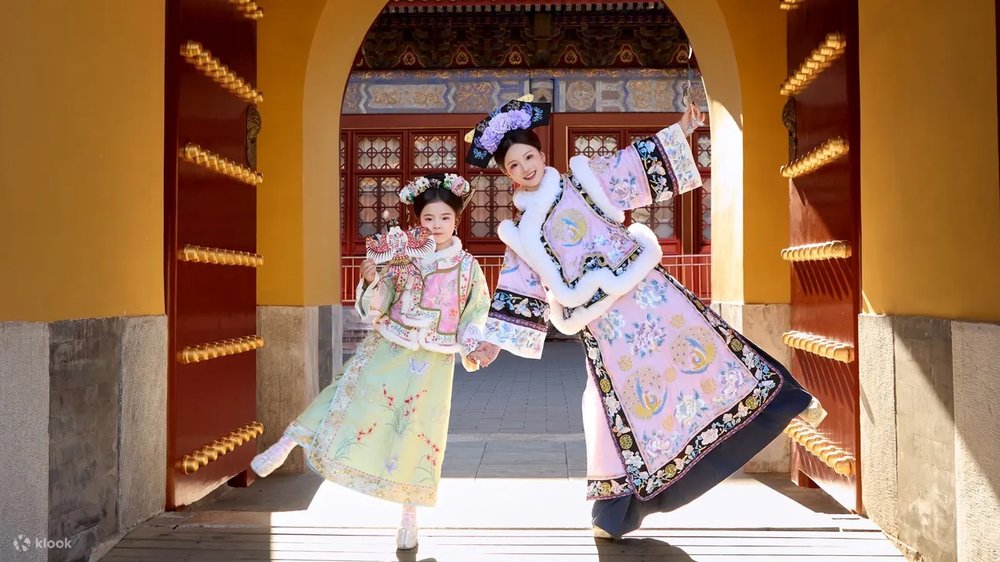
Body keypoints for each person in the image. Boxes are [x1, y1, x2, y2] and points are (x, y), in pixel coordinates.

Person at [466, 96, 823, 539]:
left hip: (645, 291)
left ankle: (781, 401)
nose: (525, 168)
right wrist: (491, 344)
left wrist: (683, 129)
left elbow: (633, 165)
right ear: (507, 174)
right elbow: (517, 291)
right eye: (514, 165)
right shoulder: (522, 235)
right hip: (603, 322)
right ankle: (617, 508)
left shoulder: (586, 180)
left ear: (541, 154)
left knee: (703, 347)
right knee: (614, 402)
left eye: (529, 157)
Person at [251, 173, 491, 550]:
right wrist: (371, 281)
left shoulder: (468, 267)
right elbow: (379, 303)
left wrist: (473, 344)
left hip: (434, 359)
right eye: (428, 218)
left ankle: (409, 518)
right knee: (346, 393)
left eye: (444, 218)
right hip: (389, 345)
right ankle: (287, 443)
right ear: (418, 221)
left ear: (456, 221)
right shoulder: (402, 257)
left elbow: (476, 311)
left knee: (421, 432)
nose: (437, 225)